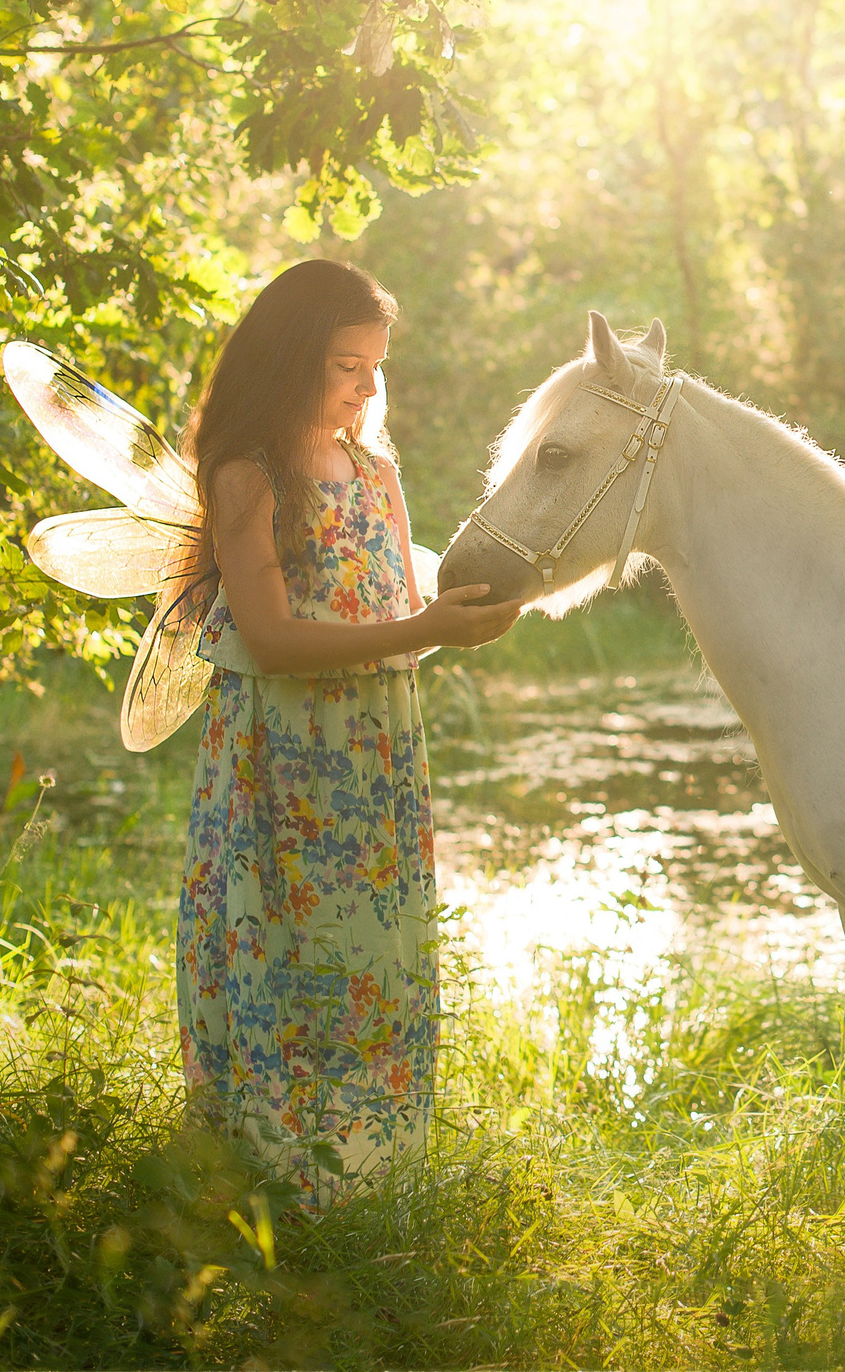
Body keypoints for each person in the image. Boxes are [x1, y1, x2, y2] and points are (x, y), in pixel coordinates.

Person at [175, 258, 521, 1211]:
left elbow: (399, 615)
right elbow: (273, 639)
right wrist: (423, 630)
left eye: (375, 367)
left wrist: (462, 617)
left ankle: (368, 1173)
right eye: (346, 366)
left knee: (371, 949)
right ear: (291, 359)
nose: (368, 388)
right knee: (286, 940)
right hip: (280, 756)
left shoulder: (377, 473)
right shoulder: (246, 477)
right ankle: (265, 1175)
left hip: (371, 755)